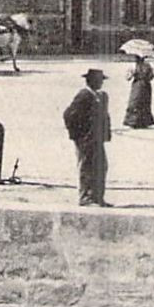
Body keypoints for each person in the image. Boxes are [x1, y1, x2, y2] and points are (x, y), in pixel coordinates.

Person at [63, 68, 112, 207]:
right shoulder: (83, 95)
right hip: (85, 139)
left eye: (101, 81)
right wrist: (77, 135)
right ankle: (85, 197)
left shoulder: (102, 96)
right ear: (90, 81)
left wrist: (105, 134)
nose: (100, 83)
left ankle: (98, 197)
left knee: (101, 166)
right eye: (98, 81)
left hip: (97, 138)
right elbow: (69, 115)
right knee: (87, 167)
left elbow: (105, 117)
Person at [124, 55, 154, 128]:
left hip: (145, 85)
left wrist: (147, 76)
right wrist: (132, 74)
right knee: (135, 102)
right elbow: (127, 77)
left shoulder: (147, 65)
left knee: (145, 102)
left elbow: (152, 76)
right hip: (138, 85)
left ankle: (143, 122)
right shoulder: (133, 66)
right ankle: (133, 121)